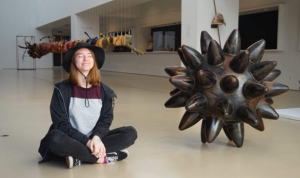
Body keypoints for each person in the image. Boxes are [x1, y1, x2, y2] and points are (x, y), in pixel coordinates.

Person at [38, 43, 137, 168]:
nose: (86, 59)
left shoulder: (105, 91)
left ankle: (78, 157)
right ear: (73, 62)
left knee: (130, 133)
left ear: (94, 61)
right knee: (54, 138)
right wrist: (87, 142)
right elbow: (61, 124)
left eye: (90, 56)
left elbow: (105, 120)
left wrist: (96, 138)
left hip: (94, 137)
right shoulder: (61, 90)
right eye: (80, 56)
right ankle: (100, 158)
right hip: (70, 138)